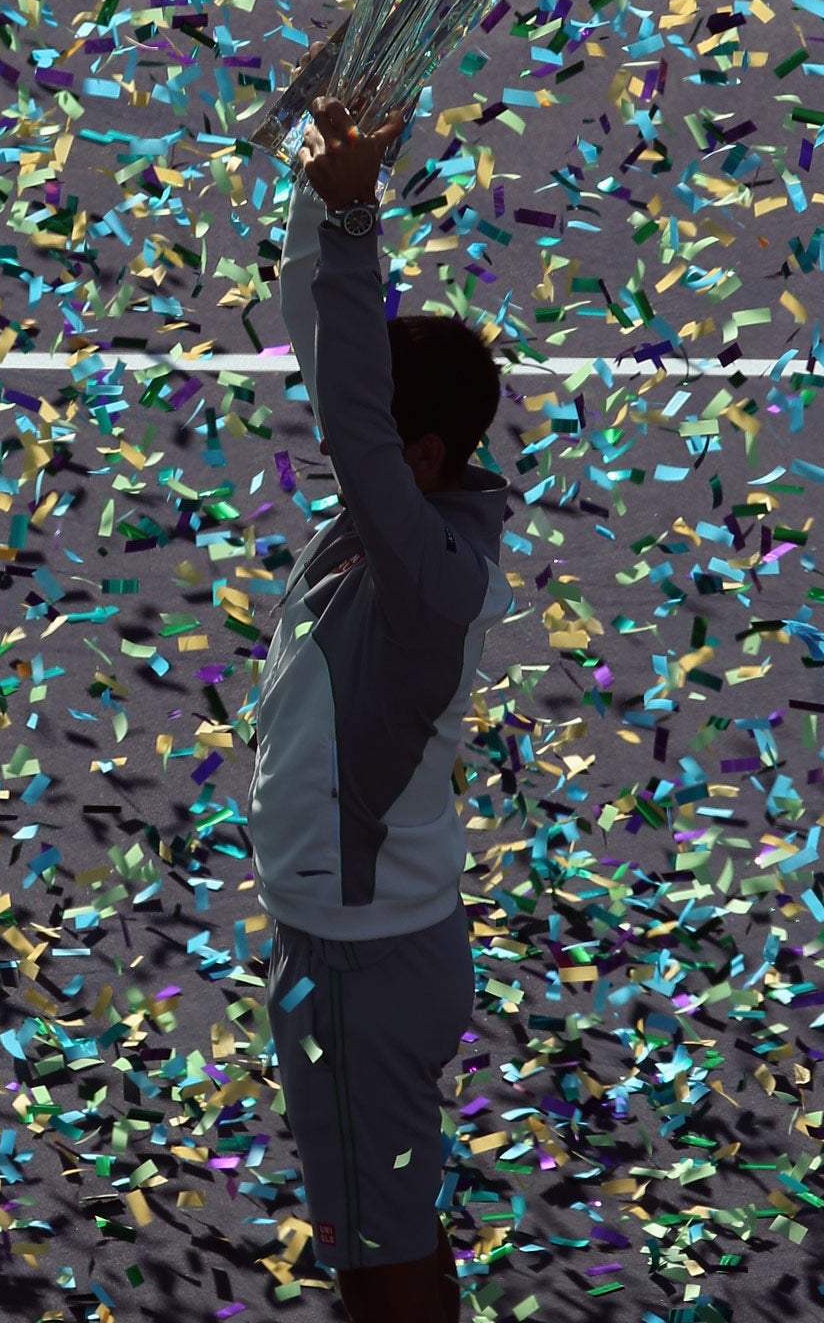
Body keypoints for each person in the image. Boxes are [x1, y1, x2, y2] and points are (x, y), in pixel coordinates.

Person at [249, 96, 511, 1323]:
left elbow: (350, 410)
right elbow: (331, 358)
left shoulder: (420, 573)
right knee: (386, 1218)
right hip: (358, 947)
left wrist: (354, 218)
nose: (332, 439)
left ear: (421, 456)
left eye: (371, 439)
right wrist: (319, 198)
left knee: (375, 1253)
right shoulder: (411, 530)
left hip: (360, 961)